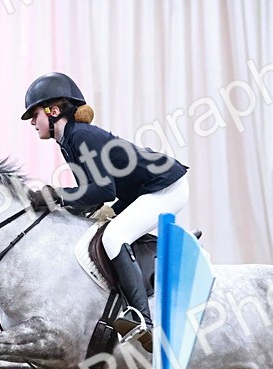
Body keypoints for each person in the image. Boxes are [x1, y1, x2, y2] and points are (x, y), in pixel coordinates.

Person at [21, 72, 188, 345]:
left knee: (114, 237)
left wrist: (56, 196)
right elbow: (91, 196)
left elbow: (103, 191)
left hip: (165, 187)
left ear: (53, 111)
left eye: (34, 114)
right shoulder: (69, 141)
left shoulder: (81, 136)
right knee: (95, 232)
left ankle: (143, 320)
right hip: (139, 191)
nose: (31, 121)